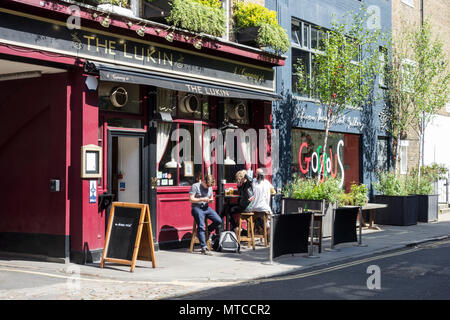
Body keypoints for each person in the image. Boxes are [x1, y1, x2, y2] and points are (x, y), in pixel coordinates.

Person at [189, 175, 222, 255]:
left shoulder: (210, 187)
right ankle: (204, 247)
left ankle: (208, 230)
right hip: (197, 208)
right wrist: (202, 199)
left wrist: (210, 200)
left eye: (210, 186)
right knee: (201, 225)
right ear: (203, 181)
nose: (208, 187)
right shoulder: (195, 186)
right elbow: (191, 199)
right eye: (207, 185)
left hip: (206, 208)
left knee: (218, 220)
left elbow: (211, 198)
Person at [230, 170, 254, 235]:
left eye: (239, 179)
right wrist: (238, 185)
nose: (238, 180)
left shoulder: (248, 184)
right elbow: (240, 192)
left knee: (229, 210)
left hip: (247, 207)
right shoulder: (243, 185)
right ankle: (236, 228)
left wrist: (244, 174)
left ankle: (236, 228)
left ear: (243, 178)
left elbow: (251, 180)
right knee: (228, 208)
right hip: (243, 205)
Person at [252, 168, 274, 236]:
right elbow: (273, 191)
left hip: (253, 208)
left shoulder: (252, 182)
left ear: (256, 174)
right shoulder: (266, 182)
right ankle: (269, 237)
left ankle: (255, 231)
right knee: (271, 217)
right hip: (263, 208)